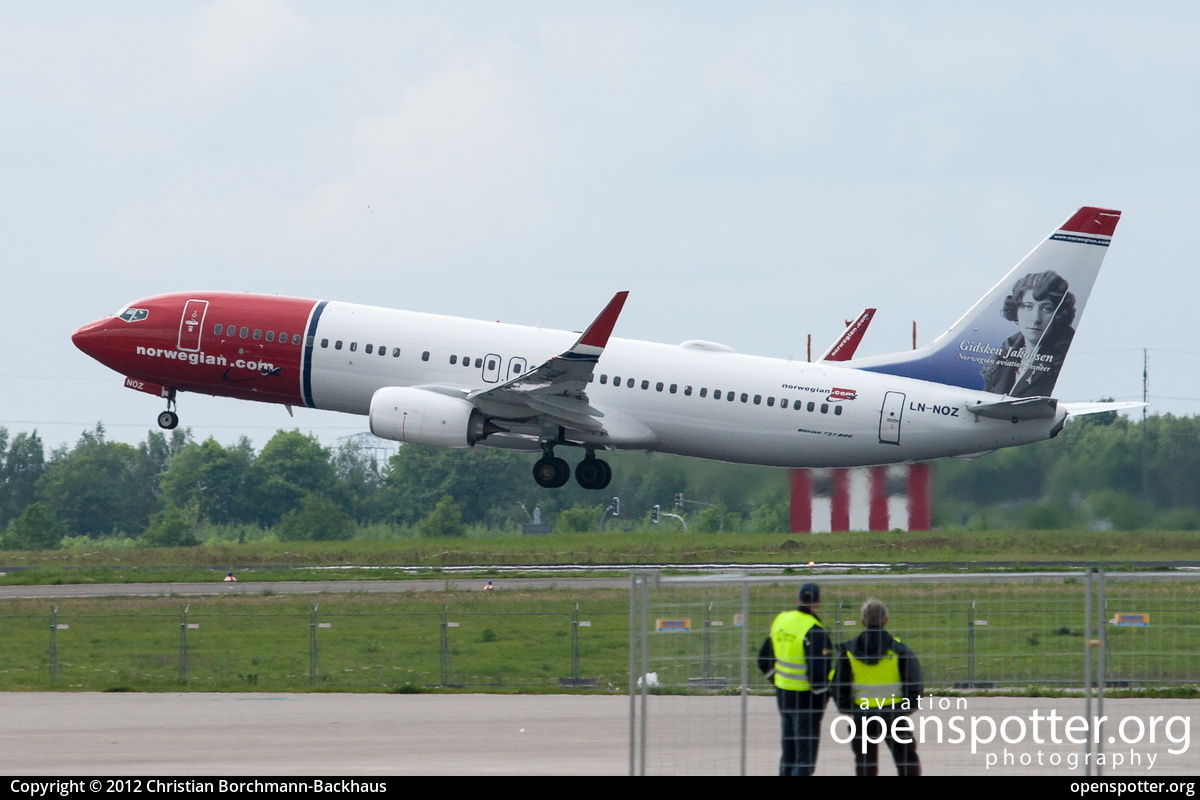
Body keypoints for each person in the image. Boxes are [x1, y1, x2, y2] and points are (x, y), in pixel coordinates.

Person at [833, 598, 923, 776]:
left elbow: (838, 686)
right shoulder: (899, 649)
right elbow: (915, 681)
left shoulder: (849, 652)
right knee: (907, 761)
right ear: (886, 620)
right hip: (893, 714)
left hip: (862, 715)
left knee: (865, 765)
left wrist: (847, 708)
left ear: (863, 622)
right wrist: (907, 707)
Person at [758, 582, 833, 776]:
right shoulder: (815, 630)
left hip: (784, 697)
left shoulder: (781, 620)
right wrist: (823, 700)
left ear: (798, 599)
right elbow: (818, 676)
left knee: (788, 755)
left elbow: (763, 659)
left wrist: (778, 682)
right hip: (806, 701)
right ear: (818, 603)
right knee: (805, 760)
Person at [981, 270, 1076, 397]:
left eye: (1047, 309)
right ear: (1016, 310)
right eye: (1027, 306)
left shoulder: (1067, 359)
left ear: (1059, 314)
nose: (1036, 319)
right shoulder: (1005, 354)